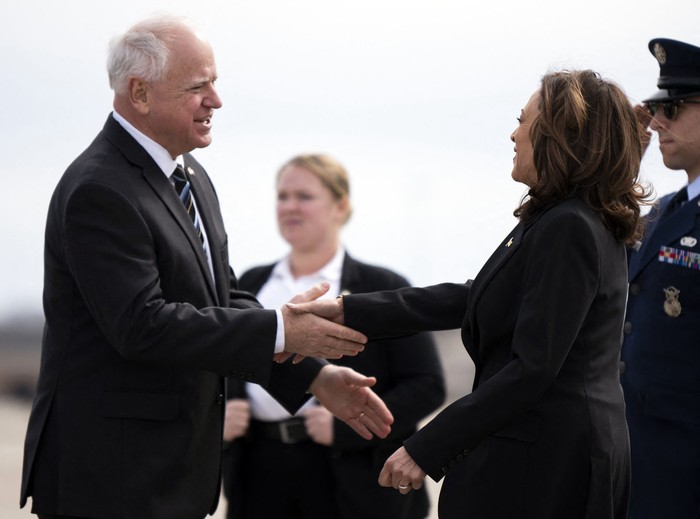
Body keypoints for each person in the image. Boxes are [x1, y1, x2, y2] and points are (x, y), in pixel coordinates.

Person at [19, 15, 394, 519]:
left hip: (173, 476)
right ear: (140, 93)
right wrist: (282, 330)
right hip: (113, 478)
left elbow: (221, 300)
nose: (216, 100)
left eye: (214, 82)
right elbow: (142, 326)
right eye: (198, 86)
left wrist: (311, 375)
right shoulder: (99, 189)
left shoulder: (191, 175)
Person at [292, 69, 649, 518]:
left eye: (524, 120)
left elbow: (532, 369)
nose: (513, 134)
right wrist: (348, 311)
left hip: (549, 467)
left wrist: (425, 447)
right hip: (546, 455)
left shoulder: (569, 226)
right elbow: (475, 295)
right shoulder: (562, 218)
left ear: (561, 136)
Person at [221, 154, 446, 519]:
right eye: (283, 196)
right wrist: (221, 423)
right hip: (257, 469)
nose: (289, 207)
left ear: (340, 206)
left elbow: (427, 386)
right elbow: (220, 359)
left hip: (352, 477)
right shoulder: (249, 284)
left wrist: (347, 430)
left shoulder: (382, 288)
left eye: (304, 196)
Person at [621, 38, 700, 518]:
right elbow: (596, 250)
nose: (656, 121)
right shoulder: (665, 212)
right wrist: (624, 161)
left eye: (671, 106)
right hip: (641, 469)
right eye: (654, 108)